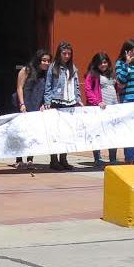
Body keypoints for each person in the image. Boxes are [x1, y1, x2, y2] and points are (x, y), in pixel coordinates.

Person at [43, 41, 83, 171]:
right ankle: (54, 160)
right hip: (57, 101)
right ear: (59, 54)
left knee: (67, 132)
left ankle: (63, 159)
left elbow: (76, 85)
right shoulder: (53, 67)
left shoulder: (73, 68)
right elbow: (48, 86)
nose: (66, 56)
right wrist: (48, 101)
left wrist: (78, 98)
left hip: (70, 102)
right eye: (64, 53)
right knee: (55, 132)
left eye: (69, 54)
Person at [13, 49, 50, 169]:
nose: (46, 63)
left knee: (33, 133)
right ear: (38, 59)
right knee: (21, 133)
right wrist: (22, 104)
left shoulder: (47, 73)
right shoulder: (26, 70)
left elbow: (47, 90)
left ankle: (30, 159)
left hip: (37, 103)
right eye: (44, 60)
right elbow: (19, 88)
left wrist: (43, 103)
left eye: (48, 61)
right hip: (24, 103)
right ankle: (19, 159)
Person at [84, 51, 119, 167]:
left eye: (105, 62)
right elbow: (88, 90)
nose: (103, 65)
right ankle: (97, 158)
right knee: (98, 133)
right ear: (96, 64)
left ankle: (113, 158)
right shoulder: (92, 75)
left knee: (113, 133)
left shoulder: (112, 74)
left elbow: (117, 88)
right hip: (99, 109)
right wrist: (97, 102)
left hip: (112, 107)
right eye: (100, 63)